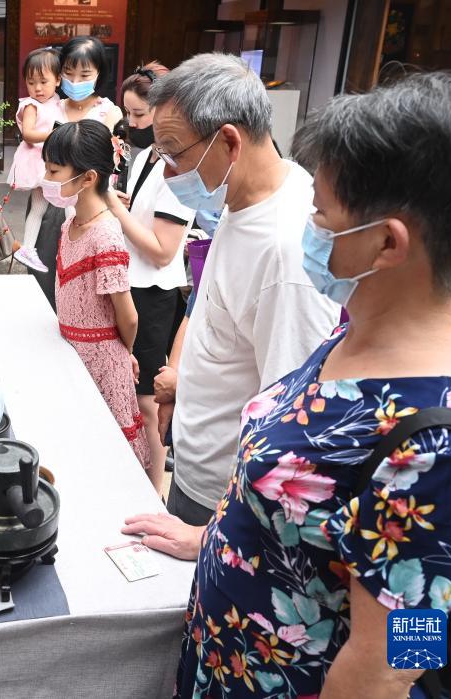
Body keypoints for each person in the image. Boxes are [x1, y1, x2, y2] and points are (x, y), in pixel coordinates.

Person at [123, 70, 451, 699]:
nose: (308, 222)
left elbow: (399, 658)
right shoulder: (353, 337)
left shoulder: (439, 445)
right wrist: (213, 537)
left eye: (321, 212)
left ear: (386, 243)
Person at [144, 53, 339, 525]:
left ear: (229, 141)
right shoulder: (243, 198)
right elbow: (215, 313)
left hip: (228, 501)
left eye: (174, 154)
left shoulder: (286, 251)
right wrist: (182, 381)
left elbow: (292, 419)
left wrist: (216, 534)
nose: (168, 174)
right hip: (198, 466)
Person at [105, 62, 193, 494]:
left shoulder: (179, 166)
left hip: (155, 292)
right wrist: (126, 205)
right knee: (129, 386)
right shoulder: (146, 156)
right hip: (133, 282)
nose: (132, 122)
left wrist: (114, 207)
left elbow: (162, 251)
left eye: (139, 114)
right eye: (128, 113)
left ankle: (154, 488)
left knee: (147, 397)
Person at [46, 120, 152, 467]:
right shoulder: (69, 224)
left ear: (88, 178)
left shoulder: (105, 235)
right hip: (73, 354)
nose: (46, 178)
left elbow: (129, 316)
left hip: (102, 365)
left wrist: (123, 352)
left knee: (107, 455)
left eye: (54, 170)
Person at [26, 36, 123, 306]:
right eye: (68, 73)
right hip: (49, 202)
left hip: (89, 206)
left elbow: (113, 163)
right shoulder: (49, 107)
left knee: (81, 280)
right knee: (43, 274)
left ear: (99, 73)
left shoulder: (109, 112)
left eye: (84, 75)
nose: (75, 81)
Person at [10, 47, 64, 273]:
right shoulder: (31, 105)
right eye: (31, 82)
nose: (37, 88)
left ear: (58, 80)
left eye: (43, 82)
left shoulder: (57, 102)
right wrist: (55, 135)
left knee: (43, 207)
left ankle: (29, 248)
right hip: (37, 162)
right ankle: (30, 248)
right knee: (58, 203)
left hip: (49, 160)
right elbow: (28, 134)